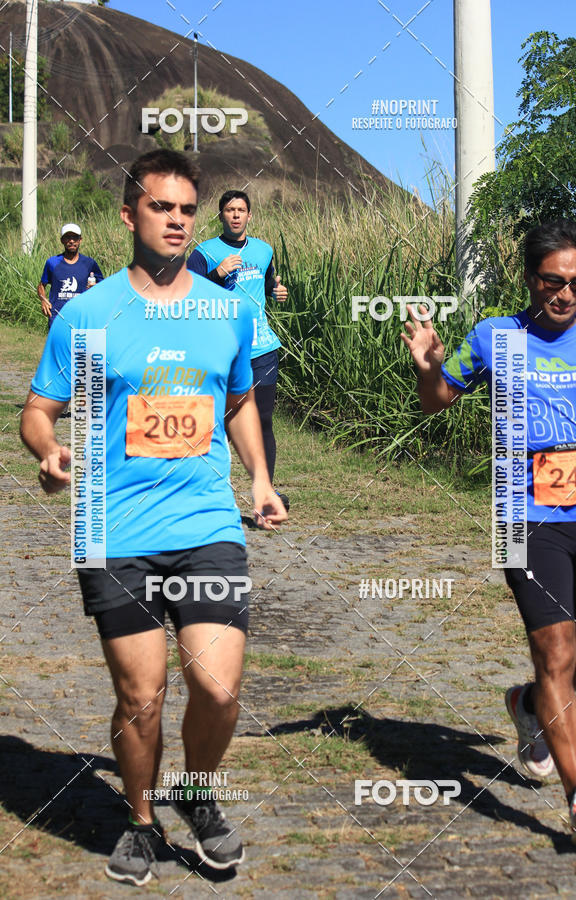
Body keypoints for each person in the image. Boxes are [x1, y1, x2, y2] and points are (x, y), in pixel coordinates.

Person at [21, 149, 288, 886]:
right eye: (160, 207)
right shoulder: (89, 314)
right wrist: (49, 452)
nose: (175, 221)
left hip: (206, 524)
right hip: (115, 530)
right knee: (141, 698)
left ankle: (198, 796)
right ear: (129, 214)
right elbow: (40, 412)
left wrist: (261, 479)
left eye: (185, 210)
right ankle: (141, 822)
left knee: (219, 687)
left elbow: (238, 404)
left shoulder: (228, 309)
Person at [401, 218, 576, 844]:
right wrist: (427, 366)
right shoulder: (496, 337)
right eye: (553, 281)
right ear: (530, 277)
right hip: (526, 518)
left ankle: (527, 706)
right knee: (557, 654)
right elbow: (436, 398)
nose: (565, 294)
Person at [187, 190, 289, 509]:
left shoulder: (263, 250)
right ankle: (213, 495)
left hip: (262, 348)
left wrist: (277, 291)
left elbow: (267, 281)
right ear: (220, 216)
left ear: (249, 216)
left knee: (263, 420)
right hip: (221, 351)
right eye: (229, 210)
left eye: (241, 210)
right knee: (220, 423)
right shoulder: (204, 252)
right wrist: (216, 275)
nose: (235, 215)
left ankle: (265, 495)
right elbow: (187, 297)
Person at [37, 223, 104, 326]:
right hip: (57, 318)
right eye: (68, 237)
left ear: (80, 240)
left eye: (75, 237)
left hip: (81, 318)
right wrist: (43, 300)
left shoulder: (89, 263)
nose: (71, 241)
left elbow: (103, 286)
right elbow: (41, 286)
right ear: (62, 240)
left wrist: (95, 288)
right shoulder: (52, 263)